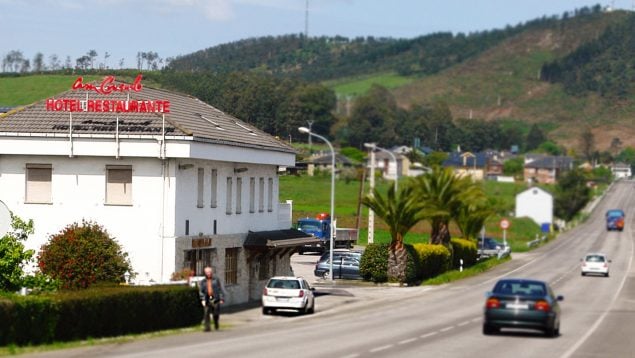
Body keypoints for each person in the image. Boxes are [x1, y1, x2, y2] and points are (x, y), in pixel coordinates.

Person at [198, 266, 227, 331]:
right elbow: (201, 291)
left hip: (215, 298)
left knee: (215, 313)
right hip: (207, 298)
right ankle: (207, 327)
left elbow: (220, 289)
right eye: (207, 272)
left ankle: (216, 324)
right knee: (206, 313)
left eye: (210, 272)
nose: (209, 273)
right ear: (205, 273)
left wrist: (221, 298)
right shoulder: (203, 281)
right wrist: (202, 299)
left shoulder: (216, 280)